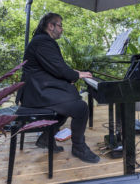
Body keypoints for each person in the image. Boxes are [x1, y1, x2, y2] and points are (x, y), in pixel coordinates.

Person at [19, 12, 100, 163]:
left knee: (66, 104)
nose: (62, 29)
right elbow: (59, 69)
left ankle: (46, 138)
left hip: (37, 89)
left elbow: (53, 67)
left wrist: (74, 73)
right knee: (80, 108)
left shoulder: (40, 41)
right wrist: (75, 75)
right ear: (51, 26)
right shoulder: (43, 42)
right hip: (37, 93)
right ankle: (79, 147)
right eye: (60, 26)